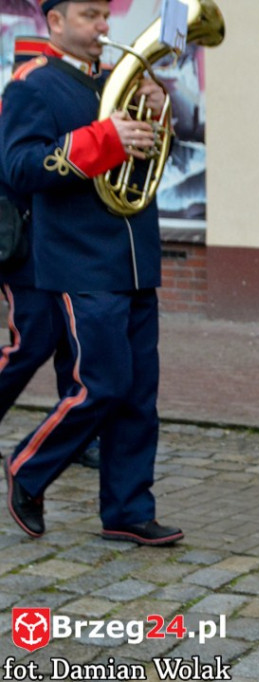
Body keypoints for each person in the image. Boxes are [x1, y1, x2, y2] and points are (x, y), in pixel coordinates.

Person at [1, 0, 181, 546]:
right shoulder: (34, 86)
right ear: (55, 23)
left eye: (106, 16)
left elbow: (145, 163)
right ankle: (27, 468)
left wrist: (157, 117)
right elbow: (20, 165)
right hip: (79, 258)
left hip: (134, 257)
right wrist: (107, 139)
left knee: (138, 394)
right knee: (100, 384)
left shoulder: (118, 83)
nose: (105, 27)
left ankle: (127, 509)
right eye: (90, 16)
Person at [0, 35, 99, 471]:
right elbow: (20, 172)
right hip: (21, 247)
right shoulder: (21, 100)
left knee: (70, 343)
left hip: (57, 244)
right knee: (31, 341)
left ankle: (75, 433)